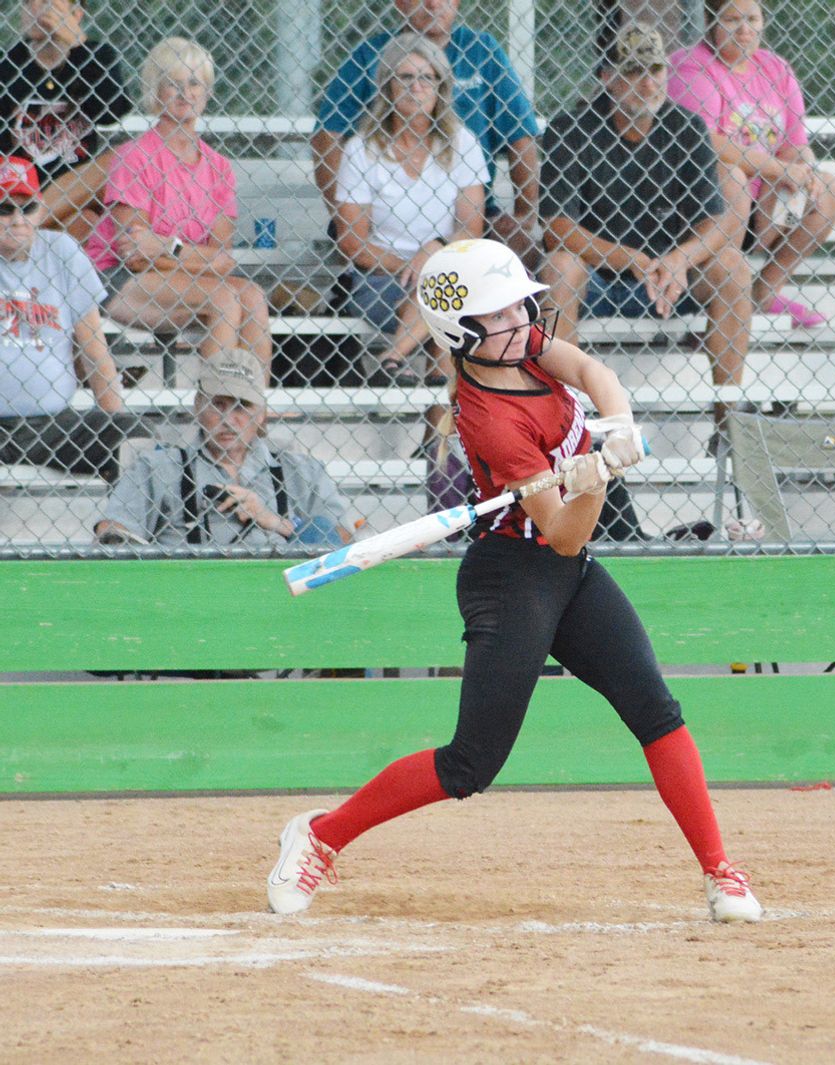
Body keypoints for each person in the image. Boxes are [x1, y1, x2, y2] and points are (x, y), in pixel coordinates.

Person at [266, 238, 763, 925]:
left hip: (570, 573)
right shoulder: (489, 420)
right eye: (498, 315)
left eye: (517, 306)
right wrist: (593, 477)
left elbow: (590, 369)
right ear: (462, 333)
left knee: (656, 709)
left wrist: (614, 425)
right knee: (470, 763)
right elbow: (563, 530)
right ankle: (321, 834)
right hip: (512, 575)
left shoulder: (524, 344)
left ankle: (720, 871)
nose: (522, 320)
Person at [540, 22, 753, 435]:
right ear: (608, 78)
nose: (648, 82)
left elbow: (715, 222)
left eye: (655, 70)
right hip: (598, 277)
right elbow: (558, 230)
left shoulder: (686, 127)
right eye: (633, 71)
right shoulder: (571, 127)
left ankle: (729, 424)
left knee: (732, 267)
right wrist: (632, 260)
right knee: (560, 267)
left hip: (670, 279)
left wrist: (678, 260)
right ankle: (566, 424)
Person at [85, 37, 273, 375]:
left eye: (194, 83)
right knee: (223, 298)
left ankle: (250, 411)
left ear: (207, 92)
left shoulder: (218, 167)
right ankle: (217, 413)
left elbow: (222, 259)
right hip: (116, 278)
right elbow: (136, 255)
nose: (185, 93)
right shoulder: (134, 157)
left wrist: (166, 246)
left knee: (254, 297)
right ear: (155, 92)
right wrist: (191, 257)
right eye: (172, 83)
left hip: (185, 277)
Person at [312, 0, 541, 271]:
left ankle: (520, 312)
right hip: (382, 212)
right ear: (399, 3)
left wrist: (525, 214)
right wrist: (347, 213)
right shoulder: (370, 55)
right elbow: (327, 135)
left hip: (467, 210)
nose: (433, 4)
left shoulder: (482, 51)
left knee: (522, 246)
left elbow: (521, 136)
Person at [668, 0, 835, 328]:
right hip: (705, 209)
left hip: (765, 210)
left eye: (752, 19)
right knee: (729, 174)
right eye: (732, 20)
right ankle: (720, 293)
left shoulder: (776, 69)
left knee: (827, 187)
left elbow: (794, 144)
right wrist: (780, 169)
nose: (744, 30)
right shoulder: (691, 66)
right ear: (711, 22)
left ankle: (763, 294)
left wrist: (806, 170)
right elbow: (704, 141)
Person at [336, 33, 487, 387]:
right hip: (381, 278)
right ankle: (438, 437)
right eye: (405, 77)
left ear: (441, 87)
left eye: (427, 77)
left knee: (442, 289)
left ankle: (392, 359)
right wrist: (408, 267)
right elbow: (352, 241)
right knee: (447, 304)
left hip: (448, 270)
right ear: (387, 85)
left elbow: (470, 227)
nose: (416, 87)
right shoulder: (361, 150)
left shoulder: (463, 144)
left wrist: (433, 253)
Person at [94, 347, 351, 548]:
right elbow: (113, 531)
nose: (228, 420)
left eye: (242, 406)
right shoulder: (158, 466)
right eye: (218, 404)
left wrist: (276, 522)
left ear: (261, 414)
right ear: (198, 406)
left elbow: (341, 539)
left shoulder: (301, 470)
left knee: (320, 527)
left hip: (282, 591)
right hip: (190, 591)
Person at [0, 155, 132, 484]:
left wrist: (113, 421)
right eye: (4, 208)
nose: (17, 219)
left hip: (54, 425)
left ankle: (121, 528)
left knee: (135, 438)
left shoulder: (61, 251)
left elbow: (93, 347)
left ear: (41, 210)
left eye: (27, 207)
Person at [0, 0, 131, 245]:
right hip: (14, 189)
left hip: (74, 190)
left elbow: (113, 111)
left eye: (49, 4)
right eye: (29, 3)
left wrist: (76, 42)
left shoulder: (95, 55)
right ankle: (28, 220)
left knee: (88, 215)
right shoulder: (9, 63)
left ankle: (34, 221)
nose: (37, 10)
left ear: (76, 14)